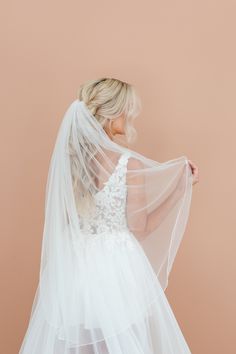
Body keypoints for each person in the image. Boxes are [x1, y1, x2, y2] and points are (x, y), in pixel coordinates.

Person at [19, 77, 199, 354]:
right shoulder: (128, 164)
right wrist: (179, 189)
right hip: (116, 267)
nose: (130, 116)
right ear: (112, 114)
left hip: (73, 267)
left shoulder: (70, 162)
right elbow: (140, 227)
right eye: (127, 109)